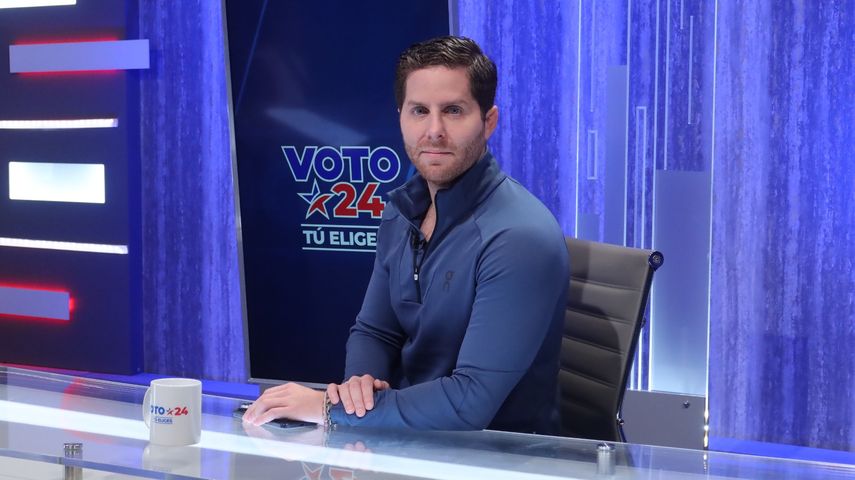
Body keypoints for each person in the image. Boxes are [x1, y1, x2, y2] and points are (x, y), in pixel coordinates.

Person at [243, 36, 569, 434]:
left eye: (453, 110)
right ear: (401, 117)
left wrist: (331, 409)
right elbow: (374, 331)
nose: (434, 131)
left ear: (488, 121)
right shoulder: (403, 209)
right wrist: (360, 390)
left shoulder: (520, 237)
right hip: (406, 441)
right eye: (419, 111)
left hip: (497, 454)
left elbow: (469, 403)